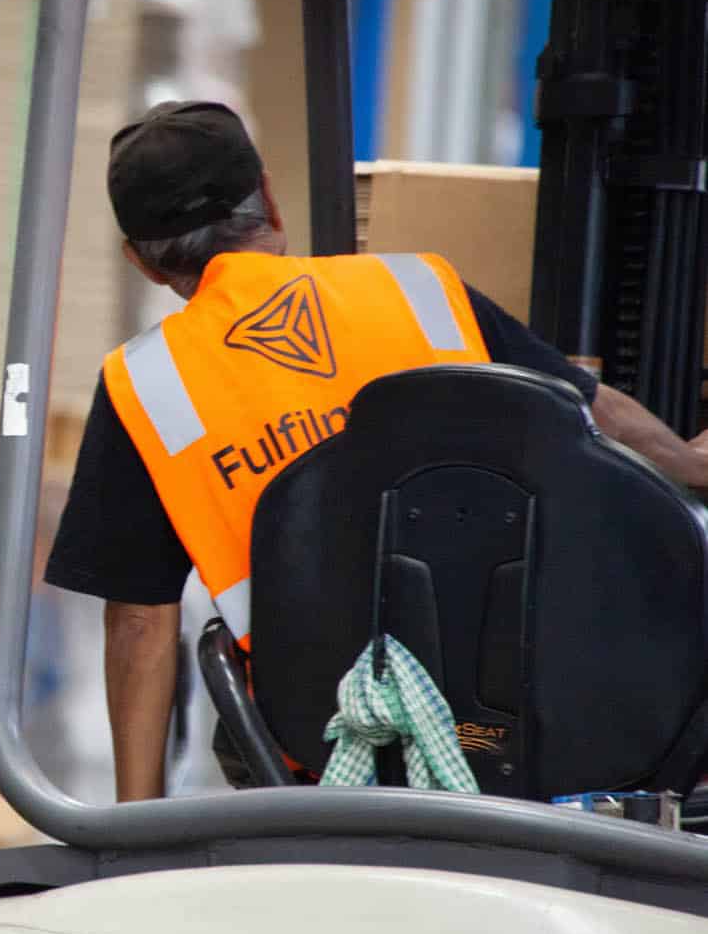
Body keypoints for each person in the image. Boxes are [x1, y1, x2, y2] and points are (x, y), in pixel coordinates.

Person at [44, 101, 708, 803]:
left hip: (320, 737)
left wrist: (133, 822)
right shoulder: (417, 292)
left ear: (141, 263)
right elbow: (584, 404)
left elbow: (142, 626)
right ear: (268, 197)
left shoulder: (148, 384)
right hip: (544, 705)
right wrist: (689, 461)